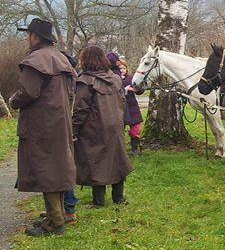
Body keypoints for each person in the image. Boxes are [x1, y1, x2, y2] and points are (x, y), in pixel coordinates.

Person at [9, 18, 77, 236]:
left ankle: (56, 223)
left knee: (47, 169)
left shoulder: (36, 60)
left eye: (28, 35)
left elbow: (28, 92)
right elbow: (71, 92)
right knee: (56, 168)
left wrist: (12, 101)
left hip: (41, 125)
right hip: (60, 122)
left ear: (34, 37)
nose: (27, 39)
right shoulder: (61, 59)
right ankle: (53, 217)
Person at [73, 46, 133, 207]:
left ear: (85, 60)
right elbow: (122, 101)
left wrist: (74, 130)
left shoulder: (85, 81)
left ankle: (99, 201)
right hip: (115, 125)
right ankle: (118, 198)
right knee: (117, 159)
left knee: (96, 160)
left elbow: (80, 109)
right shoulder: (115, 78)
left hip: (94, 127)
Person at [111, 54, 143, 156]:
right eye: (120, 68)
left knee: (135, 129)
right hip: (121, 107)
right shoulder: (114, 79)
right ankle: (120, 150)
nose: (122, 70)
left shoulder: (131, 78)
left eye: (124, 68)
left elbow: (139, 90)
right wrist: (125, 89)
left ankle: (134, 149)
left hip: (132, 106)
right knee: (120, 129)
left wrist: (138, 89)